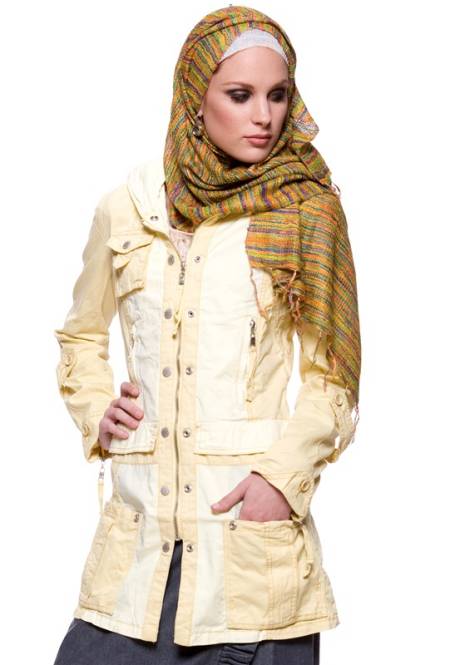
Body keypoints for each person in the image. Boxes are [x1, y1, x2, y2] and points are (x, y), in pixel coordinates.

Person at [52, 5, 361, 665]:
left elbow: (335, 377)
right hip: (134, 562)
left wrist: (279, 481)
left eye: (278, 95)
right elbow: (80, 335)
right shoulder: (126, 208)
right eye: (240, 95)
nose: (264, 116)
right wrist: (97, 411)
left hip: (247, 563)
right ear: (196, 98)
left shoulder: (305, 210)